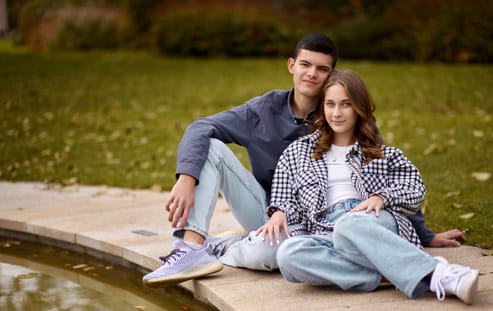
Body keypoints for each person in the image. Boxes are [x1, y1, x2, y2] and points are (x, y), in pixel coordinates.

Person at [142, 33, 464, 288]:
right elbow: (201, 127)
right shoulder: (262, 111)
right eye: (306, 64)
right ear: (291, 65)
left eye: (322, 69)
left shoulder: (342, 115)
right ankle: (191, 249)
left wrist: (424, 234)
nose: (312, 73)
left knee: (276, 256)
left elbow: (380, 175)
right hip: (267, 211)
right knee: (212, 149)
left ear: (331, 75)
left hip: (317, 225)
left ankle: (230, 247)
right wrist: (187, 177)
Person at [258, 70, 479, 303]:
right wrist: (279, 211)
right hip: (327, 233)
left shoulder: (383, 154)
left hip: (373, 221)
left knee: (348, 224)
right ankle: (404, 272)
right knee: (288, 254)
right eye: (330, 104)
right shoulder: (297, 153)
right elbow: (283, 199)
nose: (336, 113)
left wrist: (382, 197)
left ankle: (443, 276)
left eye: (345, 105)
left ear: (359, 108)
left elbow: (415, 187)